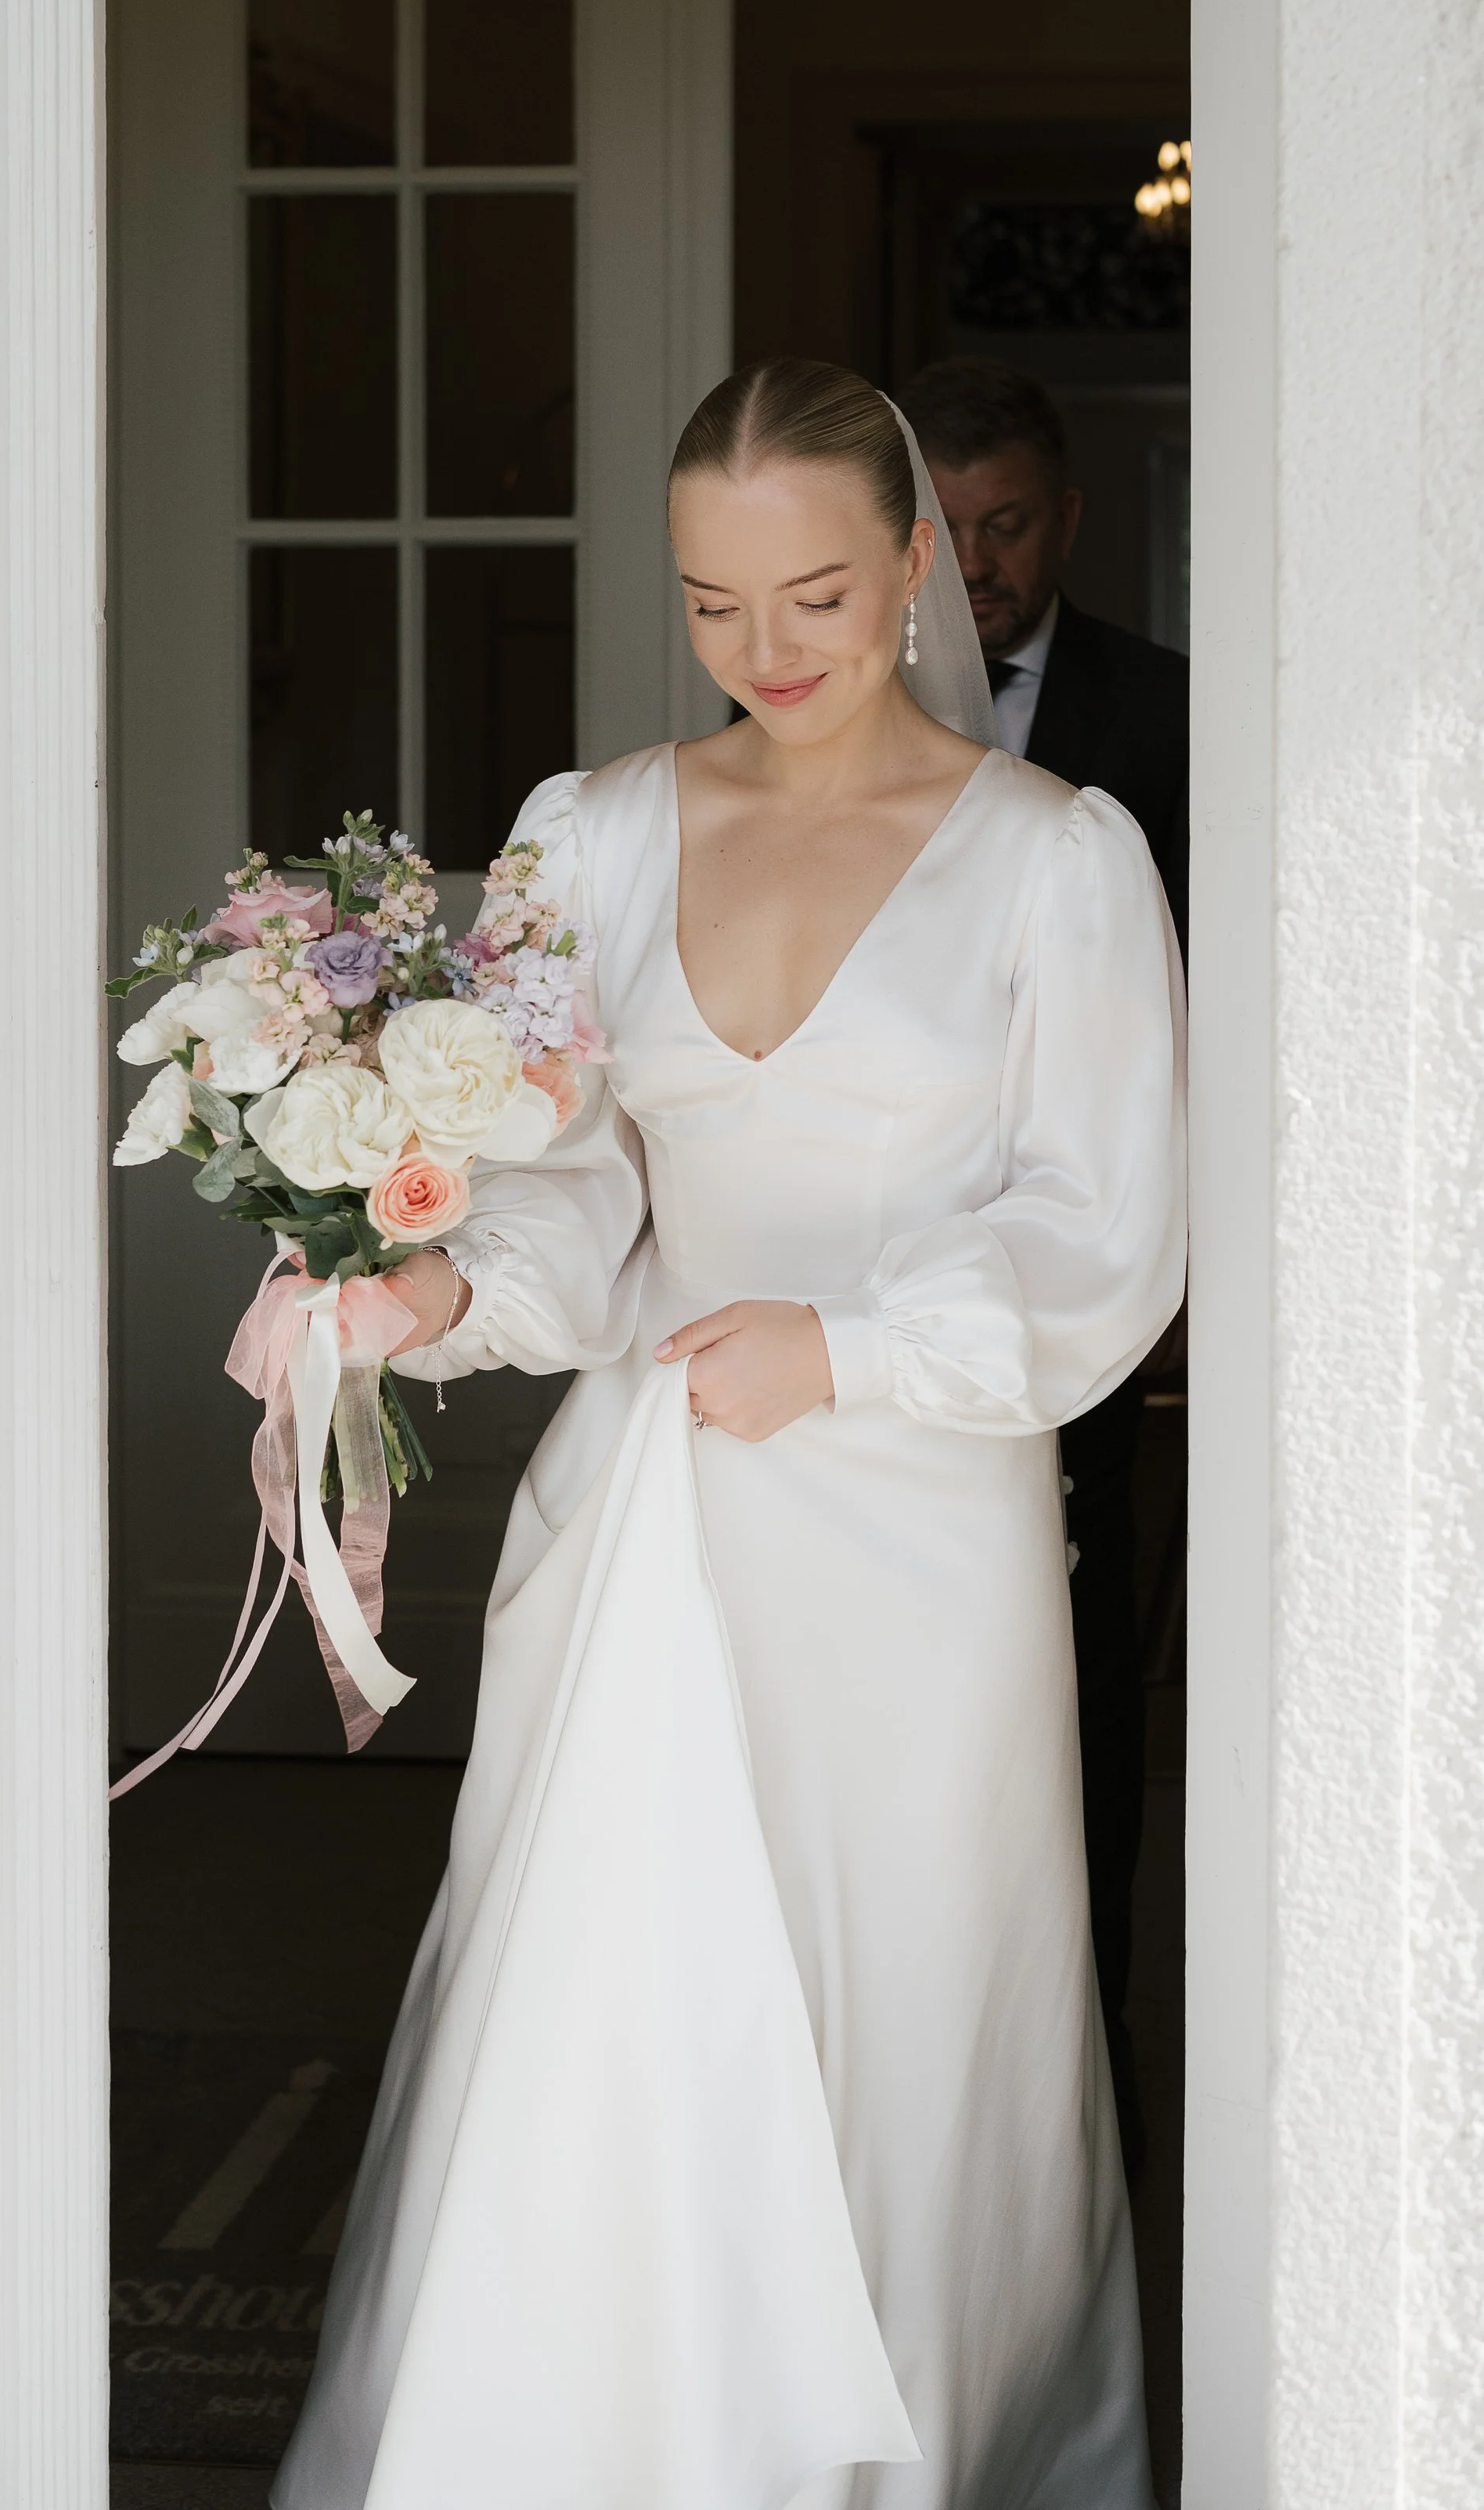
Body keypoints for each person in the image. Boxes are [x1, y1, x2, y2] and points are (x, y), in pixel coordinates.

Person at [274, 359, 1184, 2510]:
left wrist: (851, 1350)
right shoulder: (587, 833)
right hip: (650, 1501)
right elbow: (569, 1192)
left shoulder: (1056, 861)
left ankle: (919, 2442)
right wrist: (422, 1290)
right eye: (710, 605)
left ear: (914, 565)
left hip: (917, 1532)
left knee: (905, 1986)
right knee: (612, 1994)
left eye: (814, 597)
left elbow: (1108, 1228)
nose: (766, 656)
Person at [901, 359, 1189, 2183]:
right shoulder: (782, 738)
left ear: (1065, 521)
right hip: (863, 1285)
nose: (976, 561)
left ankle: (1072, 2128)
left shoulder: (1172, 722)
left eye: (1006, 521)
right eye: (942, 525)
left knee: (1081, 1717)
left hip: (1091, 1313)